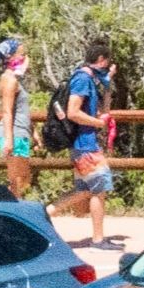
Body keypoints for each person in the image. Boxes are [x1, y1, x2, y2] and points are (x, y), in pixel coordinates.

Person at [56, 43, 119, 251]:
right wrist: (98, 124)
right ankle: (98, 240)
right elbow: (73, 112)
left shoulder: (91, 79)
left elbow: (103, 110)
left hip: (85, 144)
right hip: (85, 146)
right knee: (99, 189)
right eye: (106, 61)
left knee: (83, 191)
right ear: (101, 59)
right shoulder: (82, 79)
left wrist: (108, 85)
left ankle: (44, 213)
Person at [0, 37, 36, 199]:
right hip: (14, 133)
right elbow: (7, 111)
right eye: (21, 54)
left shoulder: (15, 79)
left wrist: (33, 131)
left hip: (21, 132)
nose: (24, 58)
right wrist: (9, 139)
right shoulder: (9, 80)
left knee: (23, 178)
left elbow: (22, 110)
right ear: (10, 57)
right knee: (16, 179)